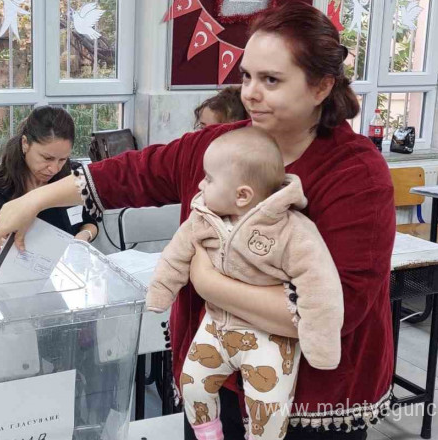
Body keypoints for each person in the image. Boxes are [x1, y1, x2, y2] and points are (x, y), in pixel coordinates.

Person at [0, 3, 395, 439]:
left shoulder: (356, 173)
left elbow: (336, 311)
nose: (250, 93)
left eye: (271, 80)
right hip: (218, 380)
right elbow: (134, 173)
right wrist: (34, 201)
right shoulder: (222, 144)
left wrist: (206, 282)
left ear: (322, 86)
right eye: (247, 76)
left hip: (311, 399)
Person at [146, 128, 343, 440]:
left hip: (270, 337)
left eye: (209, 179)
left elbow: (320, 286)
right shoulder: (203, 218)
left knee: (269, 407)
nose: (200, 184)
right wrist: (160, 292)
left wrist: (323, 344)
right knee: (192, 383)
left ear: (242, 195)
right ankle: (208, 432)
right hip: (216, 326)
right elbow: (175, 255)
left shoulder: (291, 230)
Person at [0, 106, 98, 250]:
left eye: (62, 159)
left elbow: (90, 223)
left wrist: (84, 235)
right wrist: (1, 246)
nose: (54, 168)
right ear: (25, 144)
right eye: (47, 158)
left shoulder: (74, 177)